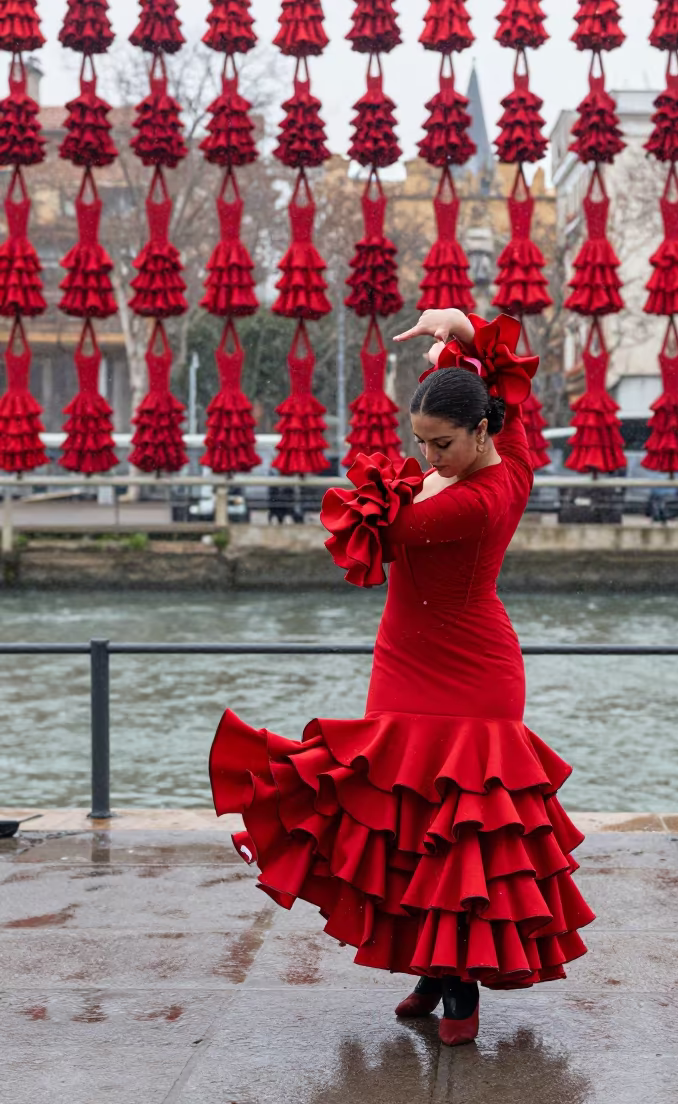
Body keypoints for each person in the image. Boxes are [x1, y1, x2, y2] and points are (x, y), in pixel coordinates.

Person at [209, 308, 596, 1046]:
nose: (428, 456)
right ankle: (431, 968)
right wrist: (458, 323)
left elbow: (367, 528)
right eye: (418, 443)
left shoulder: (481, 501)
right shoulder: (508, 450)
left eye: (441, 444)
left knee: (460, 832)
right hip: (402, 662)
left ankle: (459, 987)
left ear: (480, 432)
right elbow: (498, 374)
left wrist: (403, 489)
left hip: (473, 672)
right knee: (402, 820)